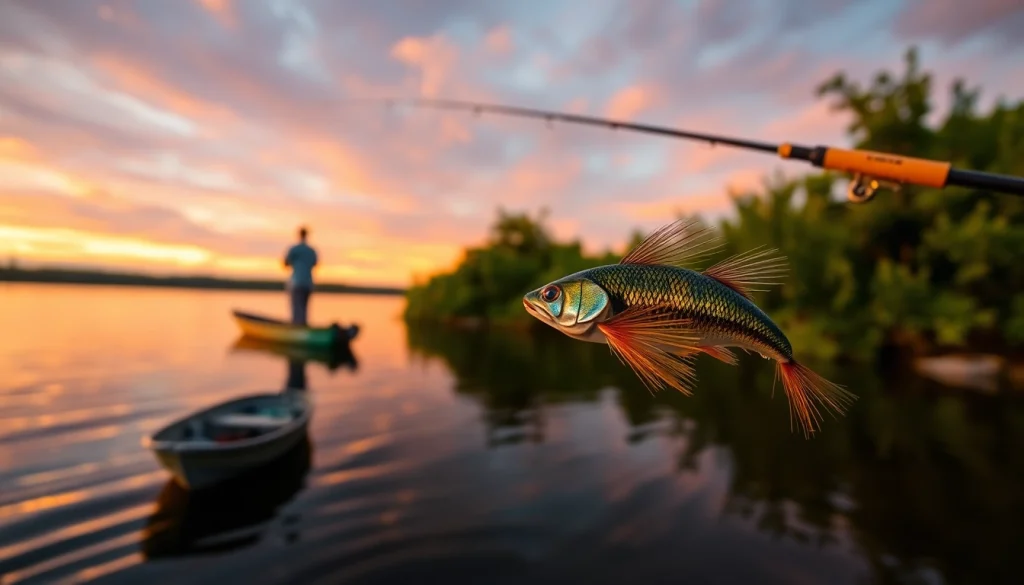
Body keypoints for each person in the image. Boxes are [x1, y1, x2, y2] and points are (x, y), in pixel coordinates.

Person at [283, 226, 318, 326]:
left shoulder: (294, 249)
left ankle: (297, 331)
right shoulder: (311, 251)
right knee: (304, 310)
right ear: (307, 235)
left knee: (297, 310)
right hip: (308, 283)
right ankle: (303, 328)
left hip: (296, 283)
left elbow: (285, 263)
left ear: (299, 235)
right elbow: (315, 264)